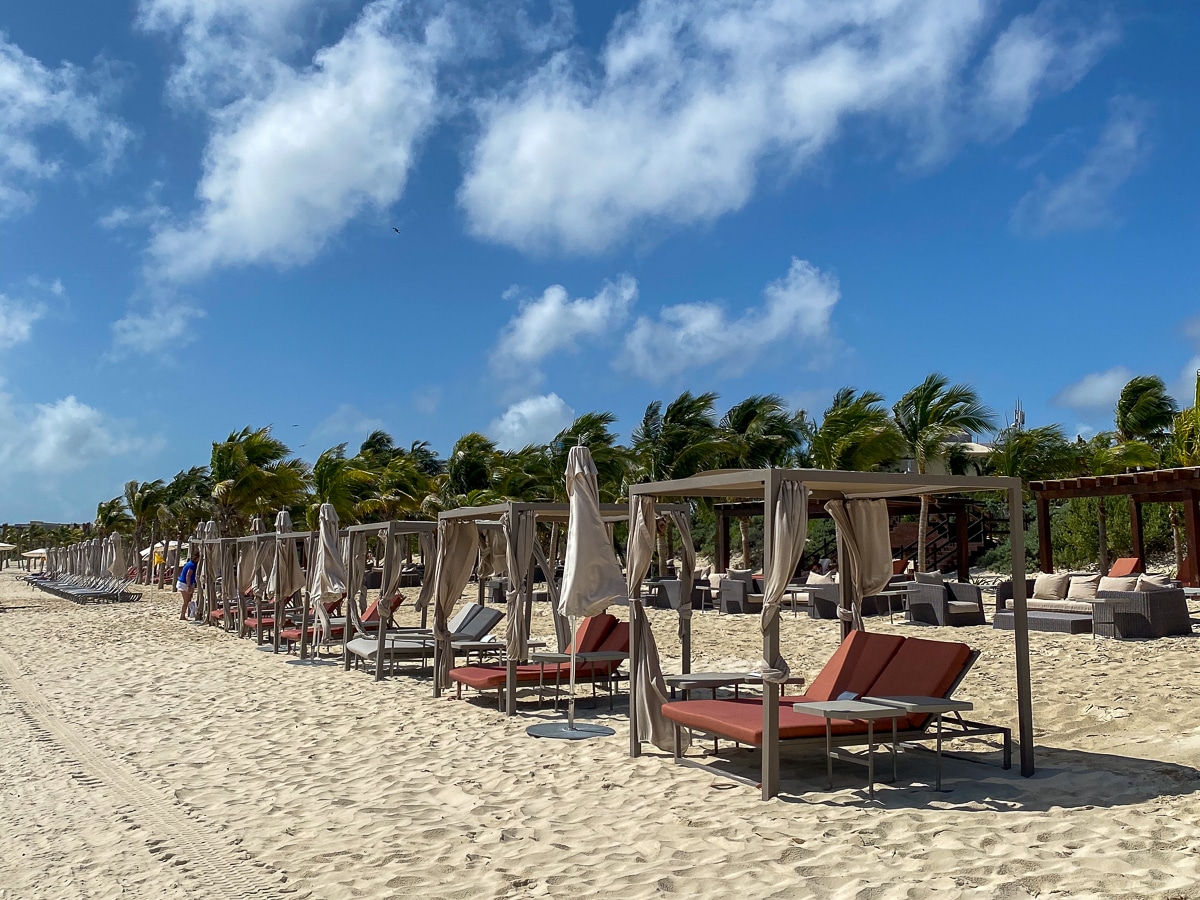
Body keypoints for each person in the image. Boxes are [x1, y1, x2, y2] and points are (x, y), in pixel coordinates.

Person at [178, 550, 200, 620]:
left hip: (185, 583)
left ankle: (188, 614)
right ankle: (182, 616)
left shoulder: (190, 563)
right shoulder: (192, 565)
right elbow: (188, 575)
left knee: (189, 600)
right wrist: (189, 586)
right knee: (186, 601)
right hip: (184, 583)